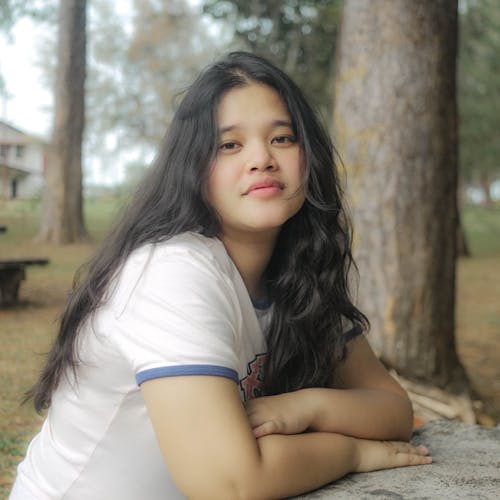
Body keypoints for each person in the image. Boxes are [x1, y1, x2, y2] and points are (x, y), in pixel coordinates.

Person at [10, 51, 431, 500]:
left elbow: (393, 410)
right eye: (229, 144)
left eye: (283, 138)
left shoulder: (300, 272)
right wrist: (353, 454)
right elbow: (228, 484)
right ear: (193, 168)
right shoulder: (171, 272)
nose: (261, 159)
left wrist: (306, 407)